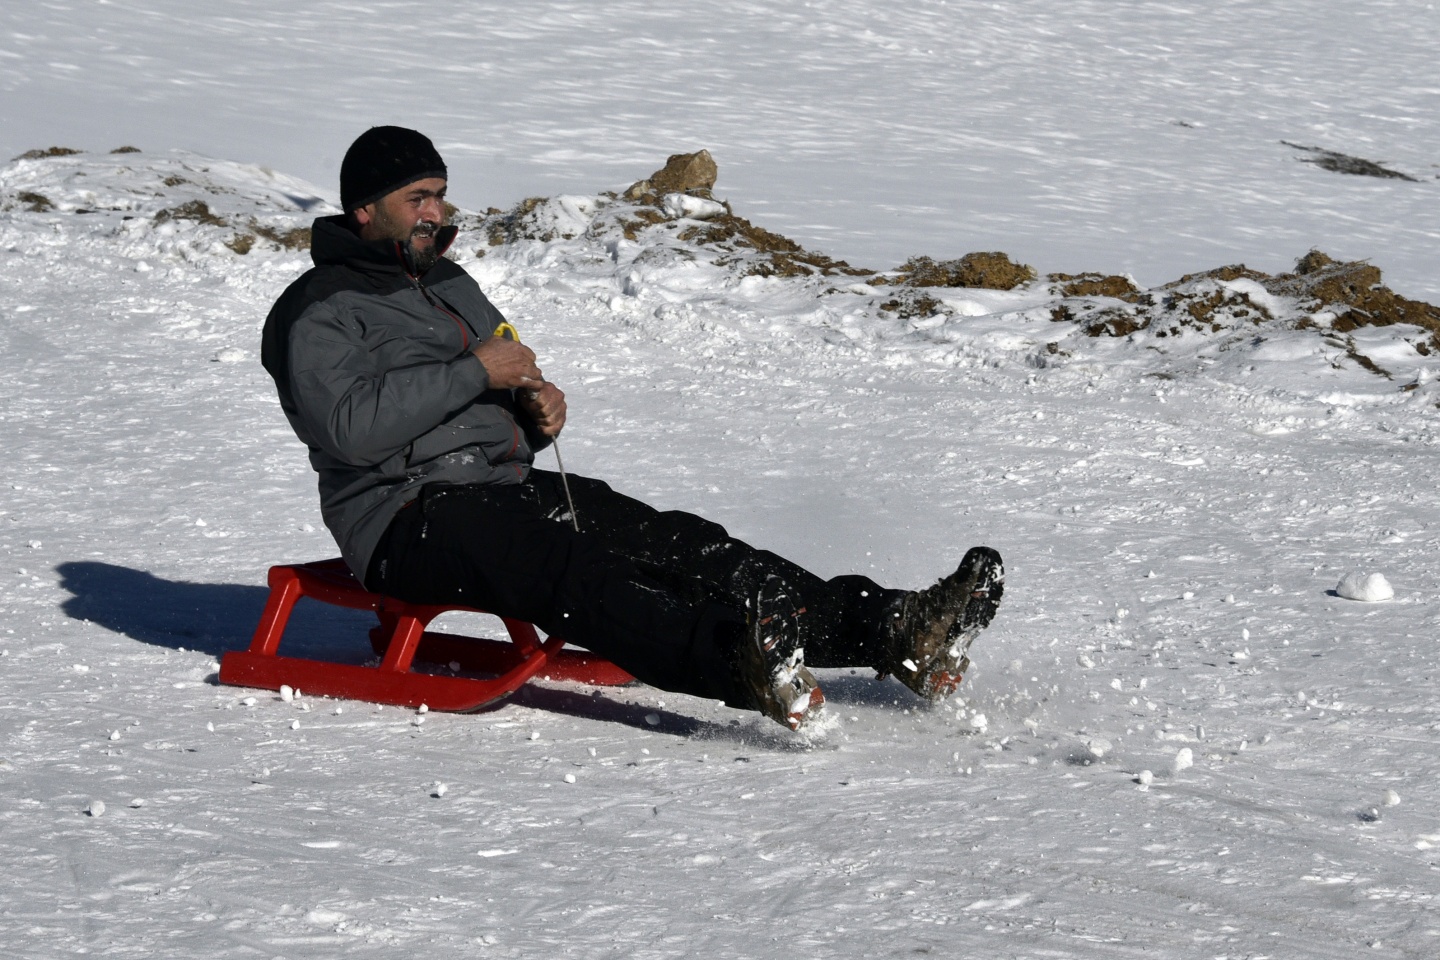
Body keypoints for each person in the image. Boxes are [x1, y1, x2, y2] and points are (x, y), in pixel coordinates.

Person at [261, 126, 1004, 731]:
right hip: (404, 517)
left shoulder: (448, 283)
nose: (436, 212)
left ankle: (896, 629)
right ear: (364, 208)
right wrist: (476, 374)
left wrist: (535, 407)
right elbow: (348, 429)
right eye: (418, 197)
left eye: (441, 196)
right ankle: (737, 660)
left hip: (502, 484)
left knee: (683, 542)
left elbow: (502, 373)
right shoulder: (319, 309)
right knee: (580, 573)